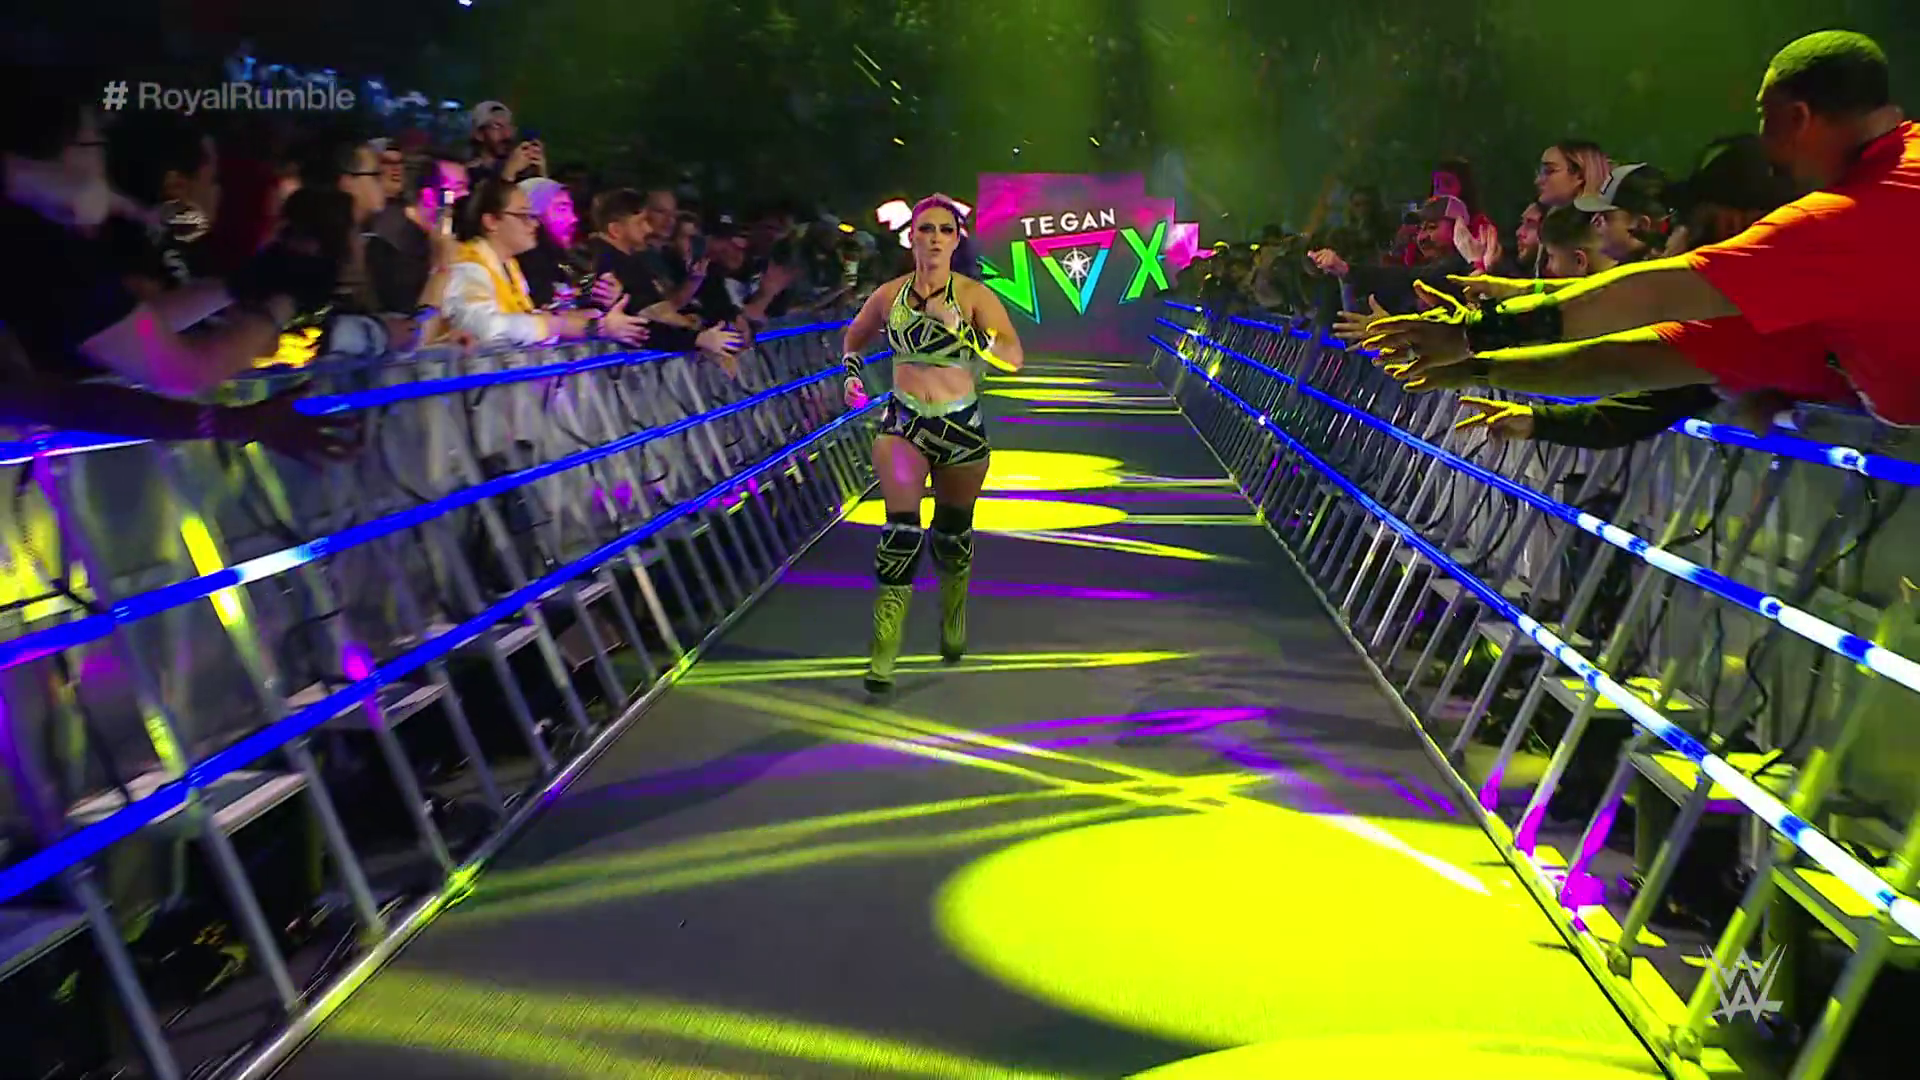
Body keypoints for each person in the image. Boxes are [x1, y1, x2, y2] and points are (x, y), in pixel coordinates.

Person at [1353, 30, 1916, 426]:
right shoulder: (1834, 247)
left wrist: (1472, 335)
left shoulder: (1840, 223)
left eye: (1765, 121)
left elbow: (1651, 296)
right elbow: (1622, 357)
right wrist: (1480, 349)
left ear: (1796, 118)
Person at [839, 194, 1025, 694]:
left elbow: (1014, 357)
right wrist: (851, 375)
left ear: (957, 239)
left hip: (960, 425)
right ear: (912, 237)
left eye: (945, 230)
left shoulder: (974, 295)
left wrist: (967, 334)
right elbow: (854, 338)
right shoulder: (889, 295)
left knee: (951, 535)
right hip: (903, 422)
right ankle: (884, 652)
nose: (936, 238)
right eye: (927, 229)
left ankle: (953, 611)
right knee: (900, 532)